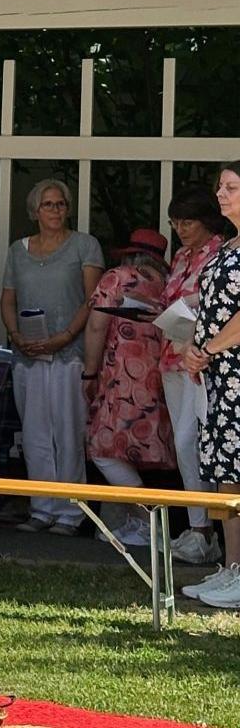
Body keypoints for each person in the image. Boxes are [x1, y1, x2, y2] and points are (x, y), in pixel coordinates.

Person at [0, 178, 103, 535]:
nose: (55, 210)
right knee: (34, 434)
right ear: (34, 211)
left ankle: (72, 513)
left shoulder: (84, 246)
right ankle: (41, 508)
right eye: (48, 204)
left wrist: (64, 337)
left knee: (68, 432)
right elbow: (8, 299)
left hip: (70, 353)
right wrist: (15, 335)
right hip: (28, 354)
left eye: (60, 204)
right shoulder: (17, 250)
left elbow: (93, 300)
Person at [81, 230, 173, 548]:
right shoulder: (167, 284)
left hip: (120, 378)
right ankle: (141, 523)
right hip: (157, 378)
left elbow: (96, 325)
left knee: (101, 448)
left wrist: (89, 374)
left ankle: (146, 521)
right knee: (130, 450)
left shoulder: (117, 278)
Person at [159, 189, 229, 565]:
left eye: (187, 221)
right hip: (173, 356)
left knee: (195, 441)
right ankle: (196, 527)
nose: (180, 229)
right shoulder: (182, 256)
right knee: (184, 444)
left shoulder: (221, 252)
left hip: (204, 359)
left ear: (206, 220)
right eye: (175, 222)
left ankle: (208, 531)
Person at [181, 163, 240, 608]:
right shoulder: (228, 245)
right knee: (224, 472)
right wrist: (194, 347)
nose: (220, 194)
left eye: (231, 187)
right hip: (219, 373)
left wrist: (209, 348)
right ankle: (231, 568)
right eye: (219, 186)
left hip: (233, 369)